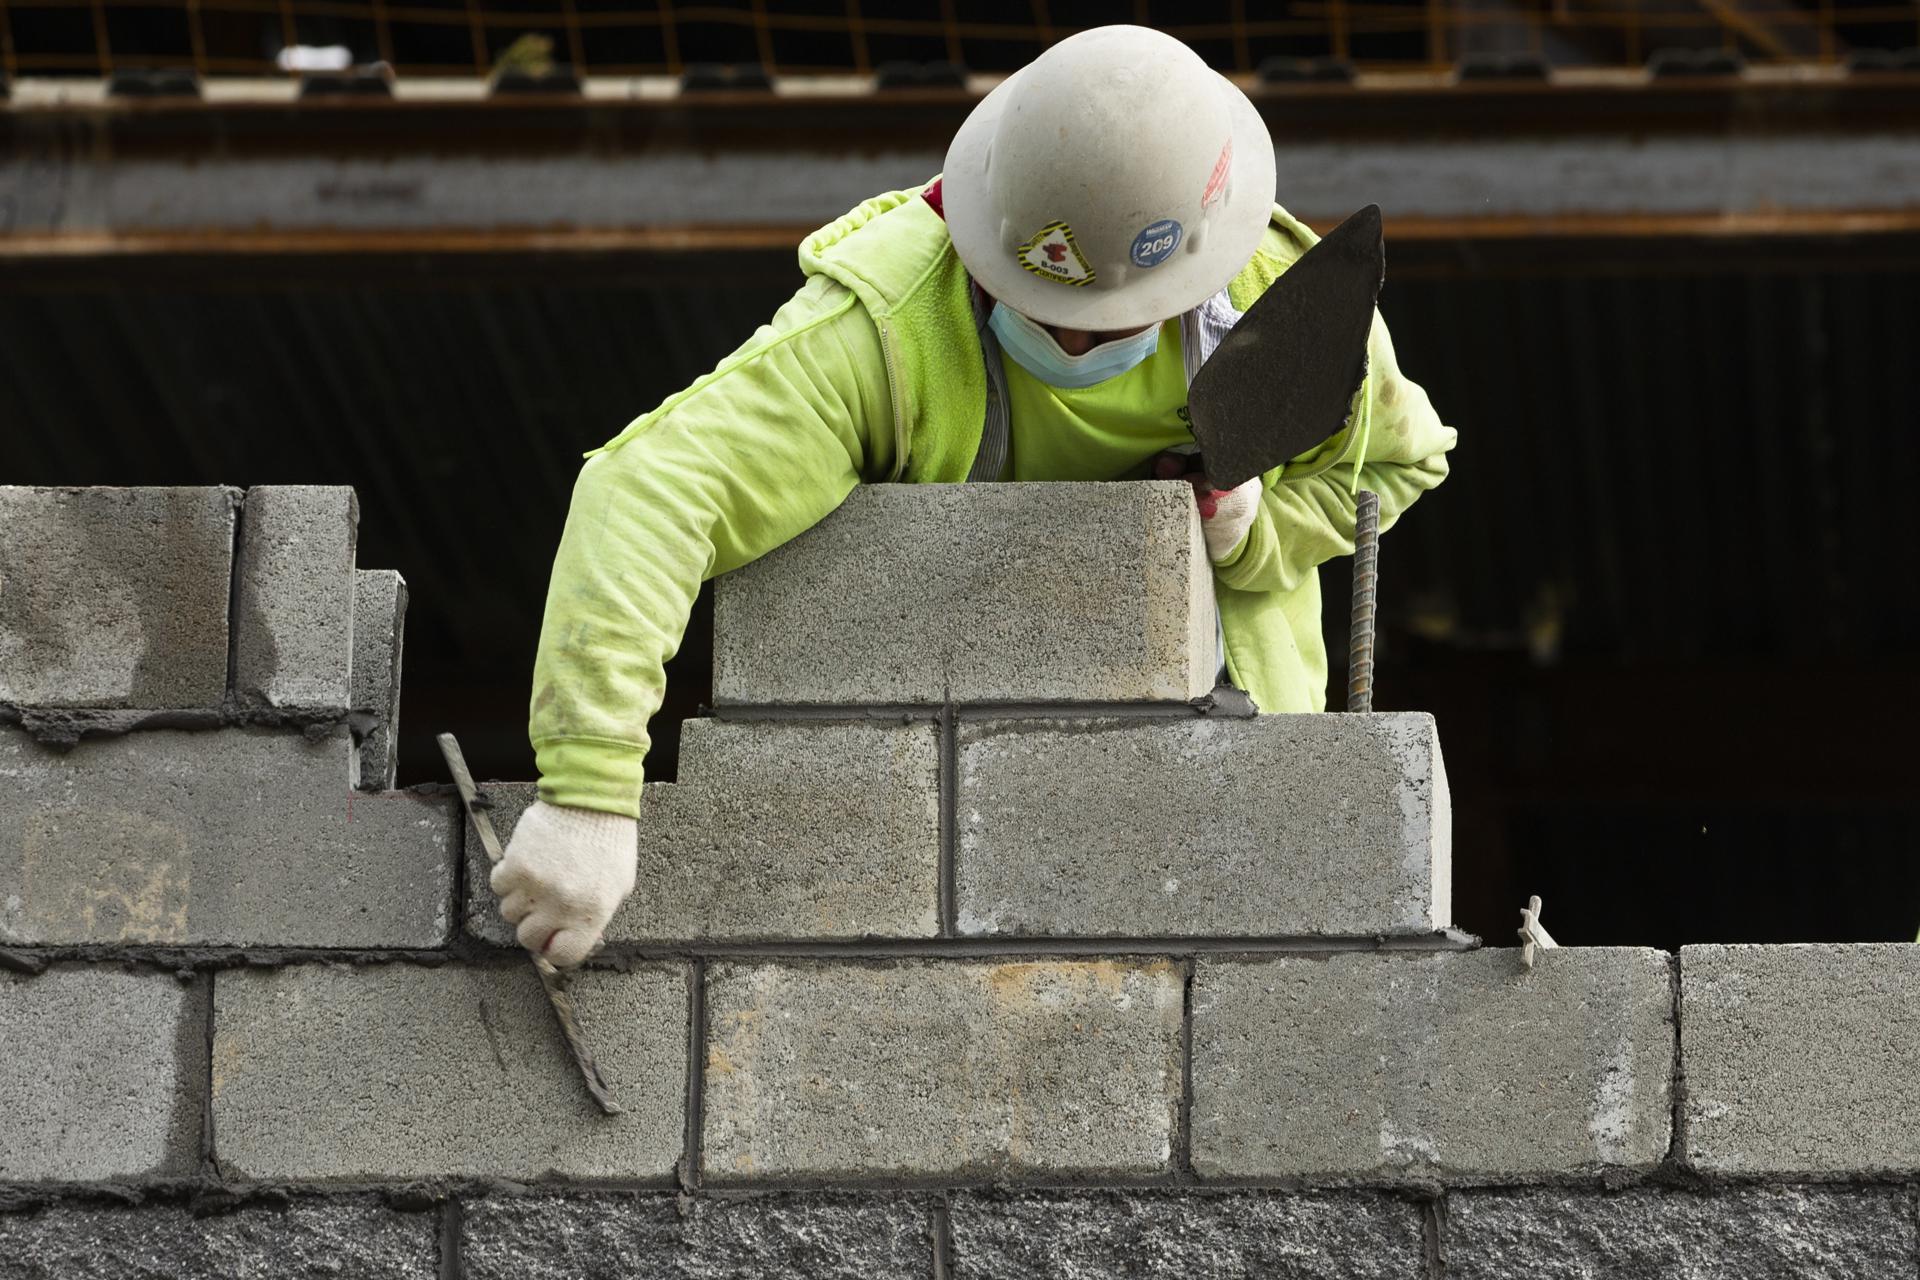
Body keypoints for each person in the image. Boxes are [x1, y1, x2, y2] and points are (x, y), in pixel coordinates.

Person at [489, 25, 1457, 967]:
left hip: (1235, 824)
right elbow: (652, 487)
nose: (1076, 345)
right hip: (943, 856)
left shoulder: (1284, 314)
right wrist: (589, 789)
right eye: (1046, 310)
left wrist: (1262, 532)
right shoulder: (891, 330)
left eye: (1109, 319)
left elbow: (1400, 466)